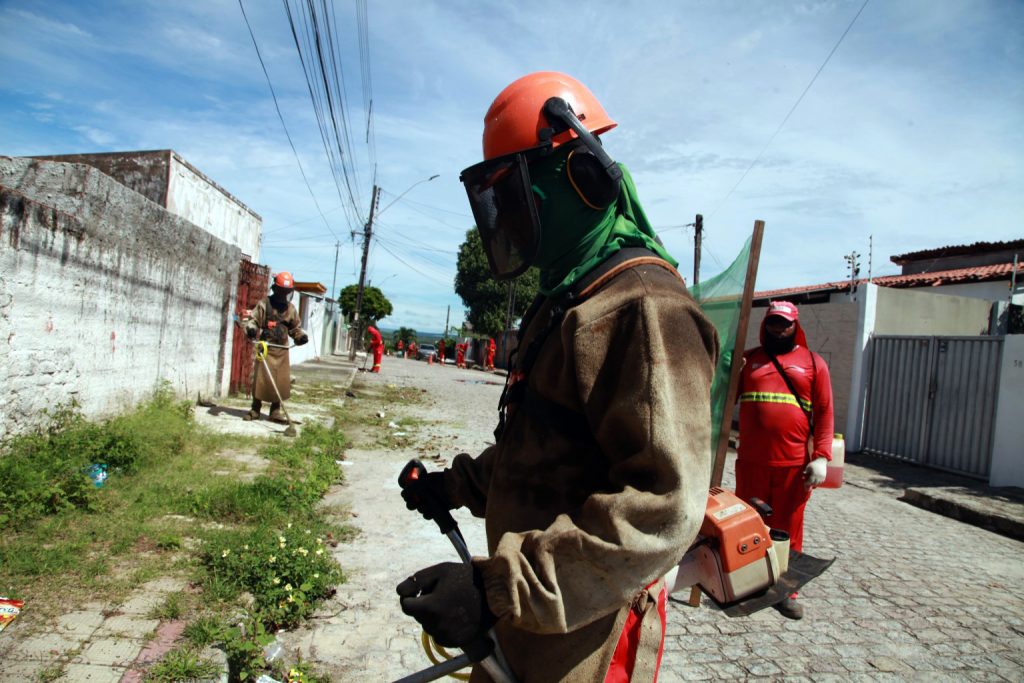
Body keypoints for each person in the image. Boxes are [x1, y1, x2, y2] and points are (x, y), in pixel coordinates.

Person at [396, 72, 718, 682]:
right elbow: (539, 446)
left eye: (514, 192)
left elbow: (663, 511)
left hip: (586, 639)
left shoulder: (643, 306)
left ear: (580, 174)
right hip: (529, 618)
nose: (508, 216)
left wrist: (493, 589)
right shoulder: (566, 301)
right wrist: (455, 486)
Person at [735, 300, 834, 620]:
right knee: (748, 526)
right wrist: (727, 367)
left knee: (787, 530)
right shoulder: (747, 361)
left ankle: (786, 591)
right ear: (766, 324)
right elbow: (721, 396)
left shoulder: (813, 363)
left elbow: (825, 413)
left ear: (796, 325)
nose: (780, 329)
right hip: (751, 462)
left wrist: (821, 457)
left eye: (785, 323)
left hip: (793, 467)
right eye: (774, 323)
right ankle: (748, 584)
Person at [242, 271, 308, 422]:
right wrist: (251, 329)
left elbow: (295, 328)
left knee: (280, 381)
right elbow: (253, 320)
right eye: (282, 291)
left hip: (282, 351)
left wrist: (300, 337)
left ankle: (275, 411)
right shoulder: (264, 304)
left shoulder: (290, 308)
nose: (284, 294)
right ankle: (255, 409)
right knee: (260, 380)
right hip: (265, 349)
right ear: (275, 289)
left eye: (287, 292)